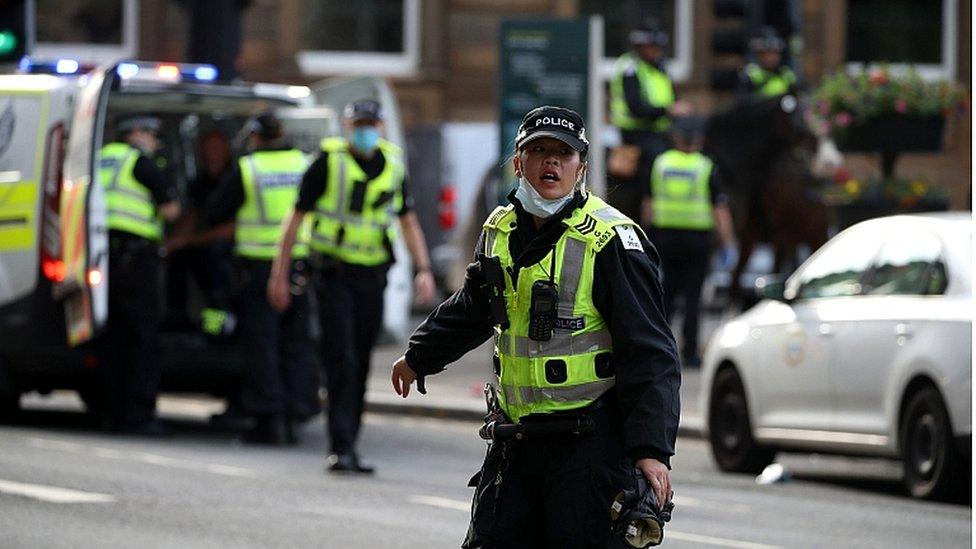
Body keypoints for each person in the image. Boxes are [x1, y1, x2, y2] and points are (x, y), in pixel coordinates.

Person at [390, 106, 680, 547]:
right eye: (538, 150)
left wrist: (651, 451)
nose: (551, 162)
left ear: (581, 167)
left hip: (588, 449)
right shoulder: (500, 229)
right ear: (518, 163)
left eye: (563, 154)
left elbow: (650, 352)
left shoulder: (612, 242)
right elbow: (474, 306)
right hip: (516, 443)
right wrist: (419, 356)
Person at [269, 99, 435, 472]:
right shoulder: (327, 162)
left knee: (359, 361)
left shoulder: (392, 165)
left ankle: (350, 445)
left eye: (371, 123)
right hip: (332, 275)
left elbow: (408, 221)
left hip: (372, 277)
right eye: (359, 123)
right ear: (347, 126)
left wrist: (423, 269)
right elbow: (294, 220)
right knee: (340, 358)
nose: (365, 130)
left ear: (379, 126)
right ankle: (340, 444)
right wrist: (278, 274)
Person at [190, 113, 319, 445]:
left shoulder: (249, 169)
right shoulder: (305, 163)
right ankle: (296, 412)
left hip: (261, 269)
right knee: (296, 344)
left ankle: (269, 419)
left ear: (256, 137)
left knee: (263, 346)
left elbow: (215, 212)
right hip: (302, 266)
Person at [99, 114, 180, 435]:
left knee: (112, 338)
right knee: (143, 339)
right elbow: (171, 209)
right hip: (136, 262)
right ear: (133, 132)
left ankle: (110, 411)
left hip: (102, 258)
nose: (154, 141)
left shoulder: (99, 159)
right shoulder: (141, 163)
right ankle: (140, 415)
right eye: (150, 133)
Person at [641, 117, 736, 368]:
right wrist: (728, 241)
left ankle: (655, 347)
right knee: (693, 297)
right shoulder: (705, 166)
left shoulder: (661, 163)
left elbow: (648, 203)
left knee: (665, 295)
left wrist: (646, 236)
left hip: (665, 238)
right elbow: (720, 208)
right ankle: (690, 352)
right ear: (698, 140)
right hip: (697, 240)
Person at [609, 18, 692, 222]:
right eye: (651, 46)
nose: (656, 50)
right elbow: (636, 108)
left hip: (661, 130)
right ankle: (649, 212)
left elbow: (671, 96)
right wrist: (669, 110)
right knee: (656, 163)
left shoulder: (659, 67)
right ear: (640, 46)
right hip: (636, 134)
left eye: (658, 46)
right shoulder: (631, 68)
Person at [164, 129, 235, 328]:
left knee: (215, 258)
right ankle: (177, 318)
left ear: (227, 151)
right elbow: (192, 214)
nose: (211, 155)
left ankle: (222, 326)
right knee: (180, 257)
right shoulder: (201, 182)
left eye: (216, 149)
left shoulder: (236, 177)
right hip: (207, 242)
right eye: (207, 150)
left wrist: (188, 240)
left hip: (234, 246)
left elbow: (233, 229)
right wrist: (174, 242)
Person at [737, 26, 798, 100]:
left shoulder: (786, 74)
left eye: (774, 53)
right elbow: (742, 102)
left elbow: (798, 97)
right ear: (758, 54)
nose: (770, 58)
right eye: (766, 53)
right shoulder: (749, 74)